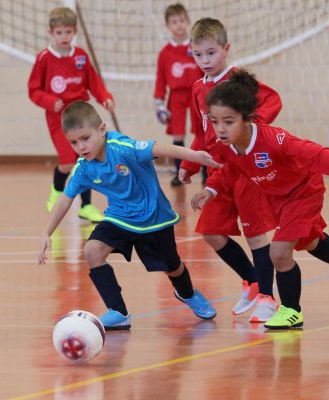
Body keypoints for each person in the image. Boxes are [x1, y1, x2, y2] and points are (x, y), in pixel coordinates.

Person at [192, 69, 329, 330]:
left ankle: (292, 311)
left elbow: (316, 153)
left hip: (304, 191)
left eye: (228, 121)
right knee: (311, 242)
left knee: (279, 252)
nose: (220, 129)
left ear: (246, 118)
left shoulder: (273, 139)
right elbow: (226, 173)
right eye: (214, 121)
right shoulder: (227, 147)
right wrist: (210, 191)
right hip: (278, 198)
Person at [37, 101, 221, 330]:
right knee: (92, 250)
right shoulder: (84, 167)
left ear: (102, 129)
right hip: (119, 218)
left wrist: (195, 156)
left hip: (154, 218)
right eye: (73, 142)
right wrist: (47, 232)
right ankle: (118, 311)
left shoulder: (122, 148)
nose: (81, 147)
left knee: (172, 266)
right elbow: (66, 198)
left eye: (85, 138)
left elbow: (158, 148)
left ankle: (187, 293)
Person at [179, 17, 283, 322]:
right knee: (212, 232)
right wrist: (189, 161)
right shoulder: (198, 87)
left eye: (211, 53)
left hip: (245, 169)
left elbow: (272, 100)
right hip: (216, 171)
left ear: (226, 49)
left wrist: (253, 127)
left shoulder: (239, 81)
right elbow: (201, 131)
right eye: (198, 55)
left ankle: (268, 298)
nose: (205, 60)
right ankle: (252, 280)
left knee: (256, 236)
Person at [28, 7, 114, 222]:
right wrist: (49, 101)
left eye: (68, 32)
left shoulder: (81, 56)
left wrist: (104, 97)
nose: (64, 37)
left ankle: (86, 206)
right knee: (68, 163)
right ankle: (57, 191)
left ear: (74, 31)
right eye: (59, 33)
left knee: (87, 157)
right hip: (58, 116)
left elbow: (93, 82)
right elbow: (33, 90)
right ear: (51, 32)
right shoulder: (44, 58)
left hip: (82, 113)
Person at [153, 3, 203, 187]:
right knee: (178, 135)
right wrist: (158, 104)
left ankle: (206, 172)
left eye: (182, 20)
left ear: (187, 21)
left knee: (203, 132)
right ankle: (179, 173)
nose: (179, 25)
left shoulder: (196, 47)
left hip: (197, 95)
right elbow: (160, 80)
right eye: (174, 22)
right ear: (168, 26)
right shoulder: (165, 53)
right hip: (176, 98)